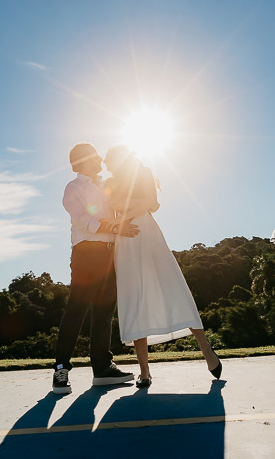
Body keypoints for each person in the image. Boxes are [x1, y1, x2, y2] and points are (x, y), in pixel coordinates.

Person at [104, 144, 222, 388]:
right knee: (134, 299)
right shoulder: (110, 182)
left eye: (113, 160)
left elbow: (153, 203)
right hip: (125, 240)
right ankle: (144, 372)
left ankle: (207, 350)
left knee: (173, 286)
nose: (110, 166)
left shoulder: (144, 172)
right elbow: (118, 205)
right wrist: (139, 204)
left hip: (147, 233)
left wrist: (132, 206)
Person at [52, 142, 139, 394]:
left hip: (111, 253)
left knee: (103, 312)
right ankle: (61, 369)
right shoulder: (74, 187)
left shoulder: (106, 184)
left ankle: (102, 369)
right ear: (81, 162)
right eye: (94, 156)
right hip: (87, 253)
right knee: (76, 310)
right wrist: (113, 227)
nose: (100, 158)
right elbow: (82, 220)